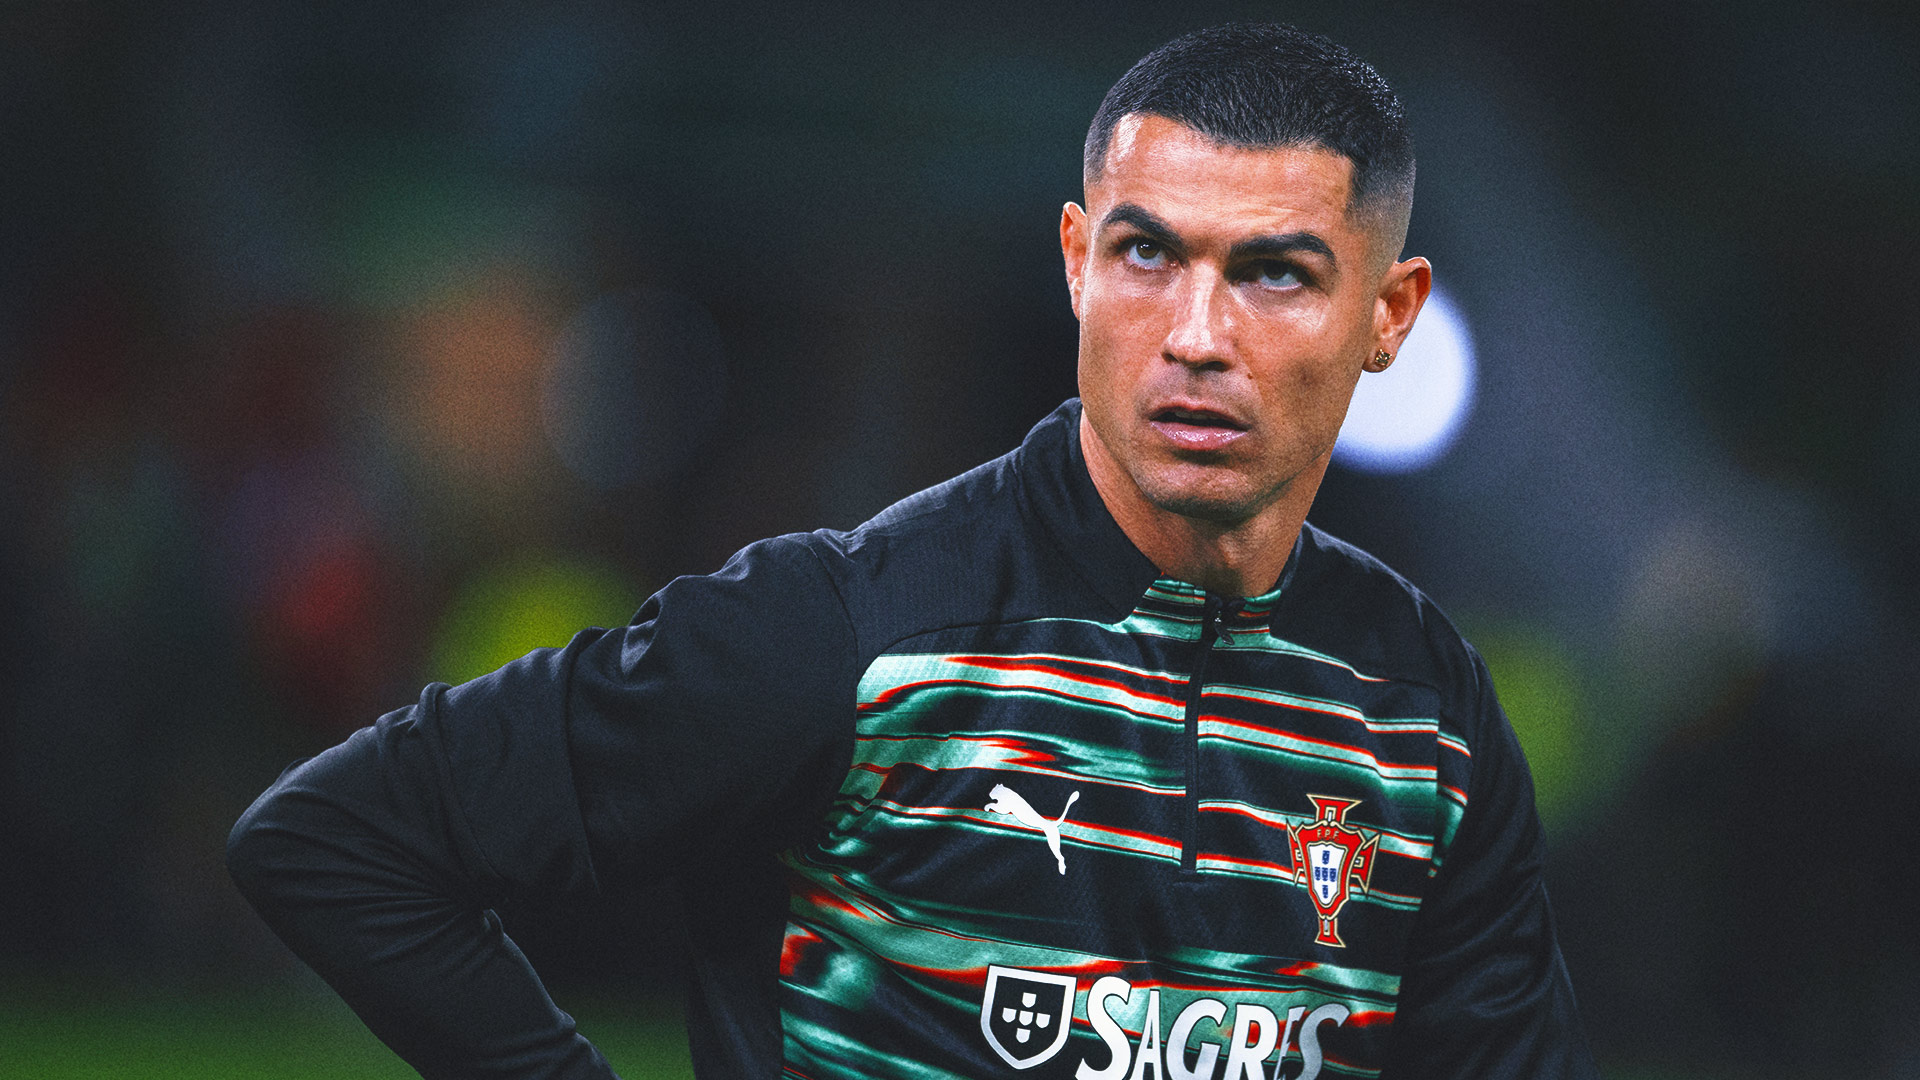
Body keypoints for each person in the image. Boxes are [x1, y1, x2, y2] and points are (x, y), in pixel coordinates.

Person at [229, 22, 1597, 1080]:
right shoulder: (850, 633)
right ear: (1077, 262)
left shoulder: (1426, 710)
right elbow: (336, 838)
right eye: (1147, 256)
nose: (1196, 334)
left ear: (1390, 314)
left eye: (1273, 273)